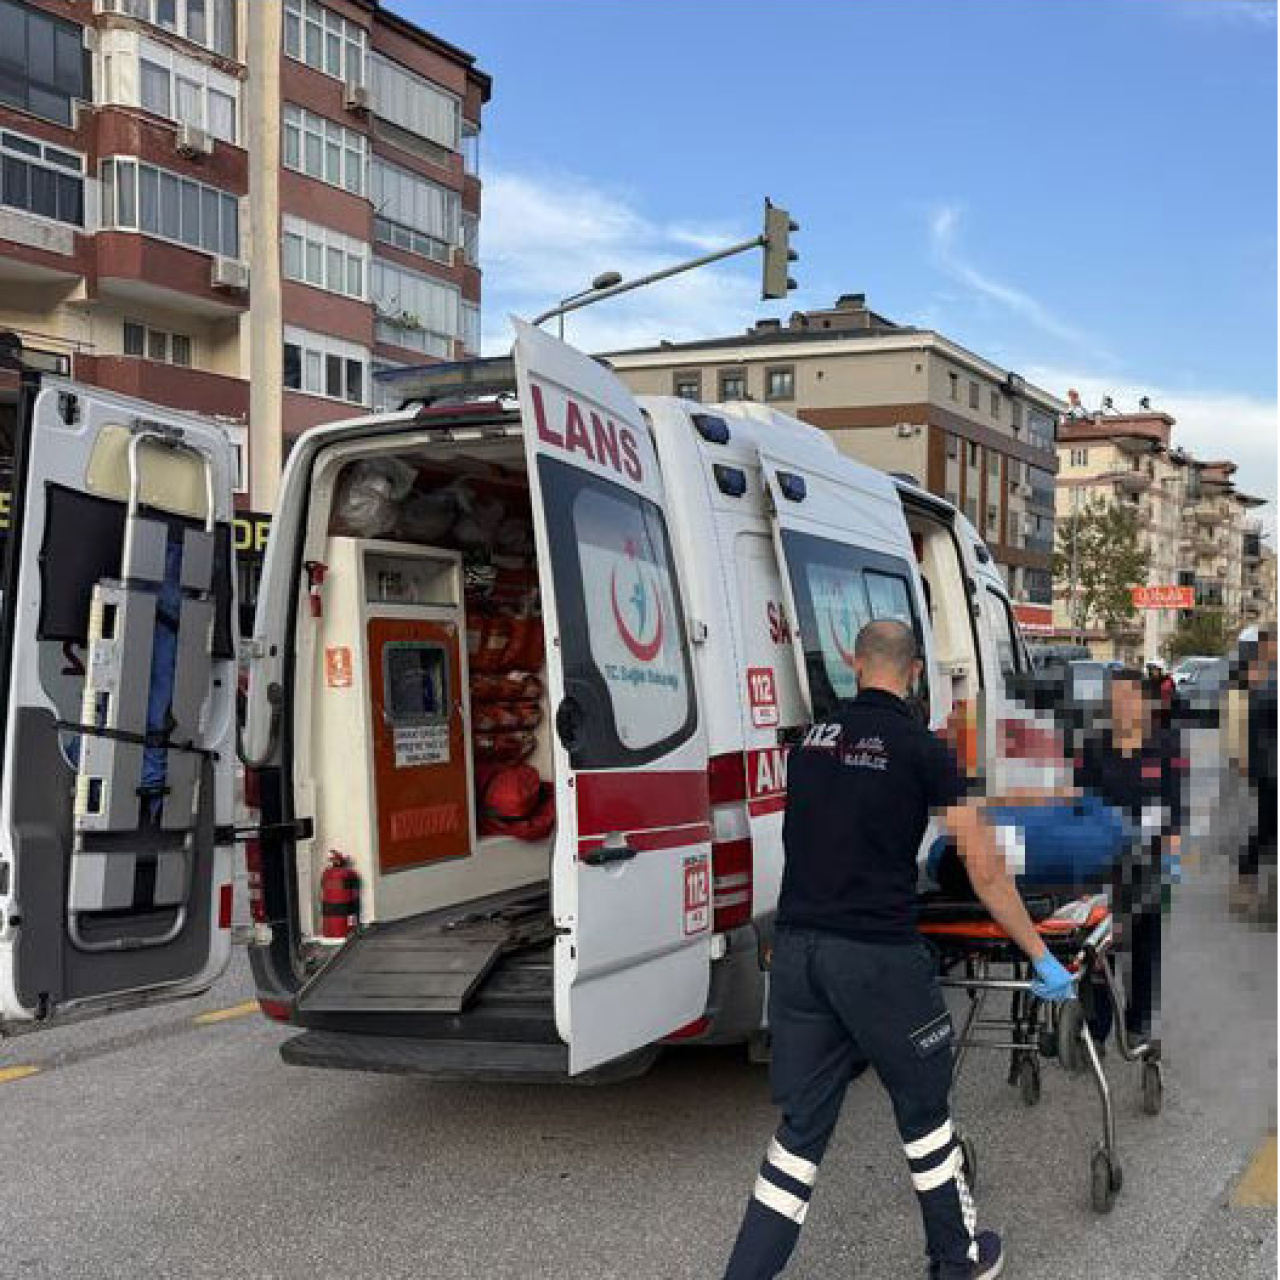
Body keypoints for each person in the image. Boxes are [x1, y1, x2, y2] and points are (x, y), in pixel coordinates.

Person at [722, 620, 1075, 1280]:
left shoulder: (809, 744)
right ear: (915, 672)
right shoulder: (923, 749)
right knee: (924, 1114)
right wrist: (1039, 954)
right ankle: (956, 1261)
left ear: (855, 664)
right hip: (876, 956)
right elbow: (987, 871)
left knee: (799, 1136)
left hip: (799, 949)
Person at [1073, 668, 1186, 1047]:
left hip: (1148, 859)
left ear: (1145, 702)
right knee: (1099, 942)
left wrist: (1172, 850)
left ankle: (1138, 1021)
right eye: (1115, 697)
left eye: (1129, 697)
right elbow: (1080, 803)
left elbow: (1176, 804)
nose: (1121, 705)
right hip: (1101, 857)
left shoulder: (1167, 746)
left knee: (1143, 944)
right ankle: (1098, 1025)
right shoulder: (1092, 746)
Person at [1235, 627, 1277, 920]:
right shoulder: (1264, 684)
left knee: (1269, 828)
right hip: (1269, 770)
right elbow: (1251, 730)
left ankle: (1251, 876)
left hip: (1266, 766)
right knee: (1267, 827)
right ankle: (1247, 875)